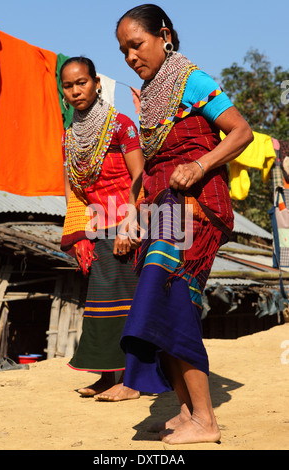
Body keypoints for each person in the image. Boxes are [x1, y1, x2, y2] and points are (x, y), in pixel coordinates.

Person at [116, 4, 254, 443]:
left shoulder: (190, 78)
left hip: (195, 206)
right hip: (161, 208)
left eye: (136, 45)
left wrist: (200, 164)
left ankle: (207, 421)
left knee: (173, 298)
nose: (130, 57)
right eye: (123, 51)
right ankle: (187, 411)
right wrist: (129, 217)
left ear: (165, 36)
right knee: (161, 302)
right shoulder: (150, 96)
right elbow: (148, 172)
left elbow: (241, 132)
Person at [60, 56, 144, 401]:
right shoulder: (69, 137)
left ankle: (133, 381)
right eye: (68, 85)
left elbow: (141, 176)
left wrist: (129, 222)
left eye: (82, 82)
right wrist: (79, 232)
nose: (76, 90)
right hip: (96, 232)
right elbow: (71, 187)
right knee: (100, 307)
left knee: (128, 305)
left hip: (126, 225)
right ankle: (106, 377)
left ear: (96, 83)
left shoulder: (121, 125)